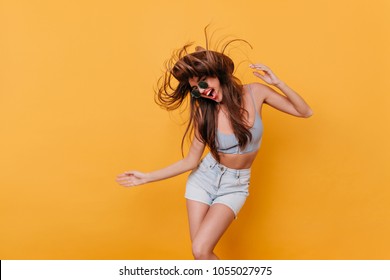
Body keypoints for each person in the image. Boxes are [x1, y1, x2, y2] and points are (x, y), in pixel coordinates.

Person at [116, 36, 313, 260]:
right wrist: (147, 177)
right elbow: (190, 161)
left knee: (200, 249)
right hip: (204, 179)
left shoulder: (255, 92)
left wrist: (277, 83)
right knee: (200, 254)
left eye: (204, 82)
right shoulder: (204, 113)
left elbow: (304, 111)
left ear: (217, 75)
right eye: (195, 89)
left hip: (235, 185)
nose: (202, 91)